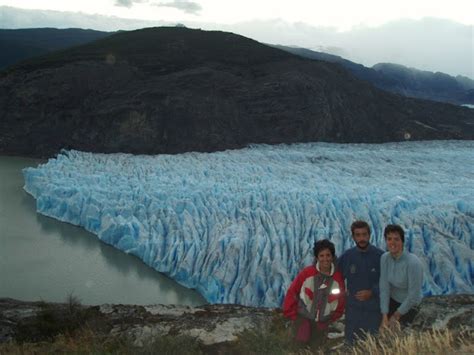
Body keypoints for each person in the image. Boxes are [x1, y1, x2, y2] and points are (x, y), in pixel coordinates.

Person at [283, 239, 345, 345]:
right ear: (317, 258)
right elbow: (292, 292)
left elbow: (341, 300)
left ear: (332, 257)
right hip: (303, 320)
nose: (325, 259)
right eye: (321, 256)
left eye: (328, 255)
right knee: (299, 347)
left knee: (316, 349)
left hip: (323, 323)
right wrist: (293, 316)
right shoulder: (307, 273)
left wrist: (331, 318)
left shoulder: (337, 278)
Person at [337, 220, 383, 344]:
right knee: (351, 344)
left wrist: (372, 292)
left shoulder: (380, 256)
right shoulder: (347, 256)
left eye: (364, 234)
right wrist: (341, 291)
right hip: (353, 310)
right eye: (358, 235)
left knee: (372, 344)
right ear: (353, 237)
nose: (361, 238)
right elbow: (335, 275)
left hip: (374, 309)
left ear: (369, 235)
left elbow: (387, 281)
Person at [379, 224, 423, 330]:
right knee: (381, 329)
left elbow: (414, 295)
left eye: (396, 239)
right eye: (389, 239)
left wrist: (395, 316)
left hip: (410, 305)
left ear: (402, 242)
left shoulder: (413, 262)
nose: (392, 243)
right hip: (393, 301)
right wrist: (384, 315)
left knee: (398, 332)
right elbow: (384, 287)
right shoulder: (385, 258)